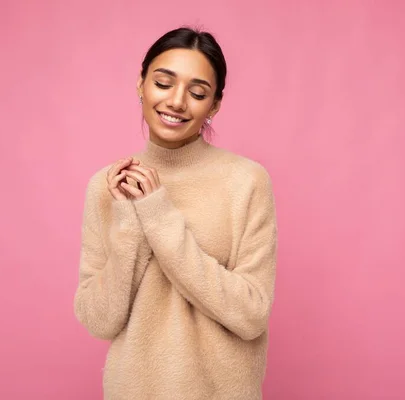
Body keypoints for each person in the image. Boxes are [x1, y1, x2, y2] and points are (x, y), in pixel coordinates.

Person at [73, 27, 278, 400]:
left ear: (214, 105)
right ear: (141, 84)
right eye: (163, 83)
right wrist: (129, 225)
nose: (177, 101)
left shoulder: (245, 181)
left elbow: (251, 314)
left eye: (198, 92)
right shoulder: (108, 186)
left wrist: (158, 214)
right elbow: (99, 320)